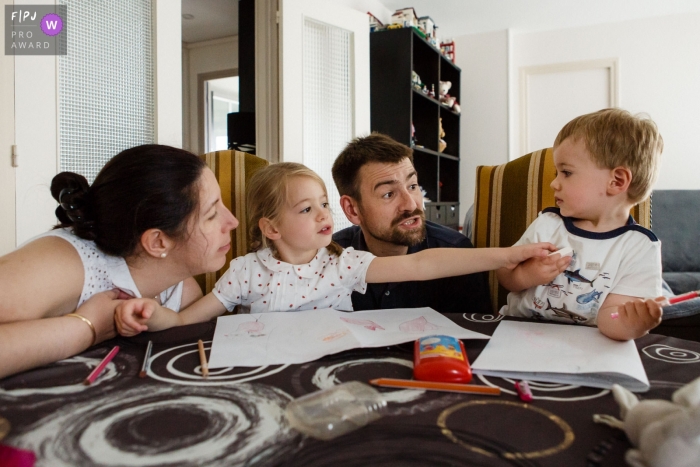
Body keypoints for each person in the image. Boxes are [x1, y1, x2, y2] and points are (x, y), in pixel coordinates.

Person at [114, 162, 553, 335]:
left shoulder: (343, 263)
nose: (326, 215)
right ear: (270, 227)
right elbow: (190, 319)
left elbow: (424, 264)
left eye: (325, 204)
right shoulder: (247, 271)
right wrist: (156, 315)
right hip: (270, 374)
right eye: (307, 209)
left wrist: (506, 255)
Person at [0, 145, 238, 379]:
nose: (233, 222)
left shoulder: (181, 291)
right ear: (157, 242)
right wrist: (87, 327)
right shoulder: (57, 267)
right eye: (212, 214)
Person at [497, 108, 665, 341]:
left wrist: (631, 323)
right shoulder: (548, 223)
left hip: (586, 346)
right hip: (516, 331)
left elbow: (611, 320)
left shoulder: (639, 247)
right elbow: (505, 275)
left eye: (566, 172)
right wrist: (527, 275)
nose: (554, 183)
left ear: (616, 181)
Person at [331, 133, 492, 314]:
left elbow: (478, 335)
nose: (411, 204)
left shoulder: (457, 253)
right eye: (388, 194)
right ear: (352, 209)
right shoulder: (329, 260)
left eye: (412, 186)